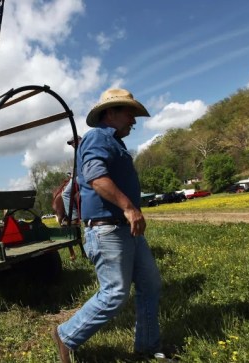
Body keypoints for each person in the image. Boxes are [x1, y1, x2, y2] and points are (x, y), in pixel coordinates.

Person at [51, 88, 165, 362]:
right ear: (110, 112)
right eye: (129, 113)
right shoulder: (97, 137)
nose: (134, 121)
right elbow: (95, 177)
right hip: (108, 229)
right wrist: (128, 208)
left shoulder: (114, 142)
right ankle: (66, 335)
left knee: (150, 286)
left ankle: (147, 346)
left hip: (125, 229)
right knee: (115, 294)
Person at [61, 136, 81, 224]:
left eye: (72, 142)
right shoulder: (82, 149)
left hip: (81, 177)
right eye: (70, 143)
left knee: (65, 194)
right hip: (81, 175)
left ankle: (73, 216)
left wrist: (73, 174)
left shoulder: (80, 150)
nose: (72, 145)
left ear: (78, 140)